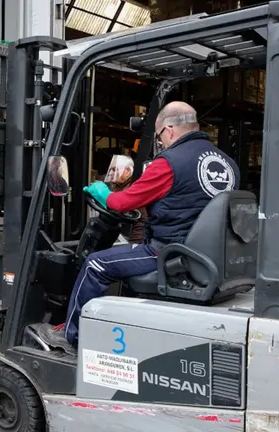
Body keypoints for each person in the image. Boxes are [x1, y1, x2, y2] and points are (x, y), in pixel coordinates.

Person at [62, 101, 240, 345]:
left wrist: (103, 192)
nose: (161, 144)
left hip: (170, 252)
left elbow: (123, 203)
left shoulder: (169, 163)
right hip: (210, 255)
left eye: (159, 138)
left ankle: (73, 337)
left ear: (168, 130)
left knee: (95, 264)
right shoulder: (228, 164)